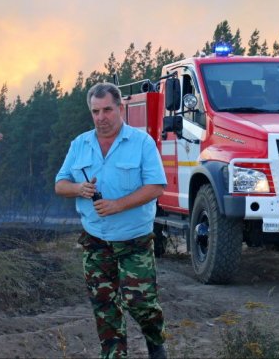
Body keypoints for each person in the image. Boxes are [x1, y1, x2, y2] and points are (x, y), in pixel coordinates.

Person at [55, 82, 167, 359]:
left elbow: (156, 186)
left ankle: (155, 342)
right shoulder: (79, 144)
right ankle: (114, 354)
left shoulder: (142, 143)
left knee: (140, 303)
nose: (101, 117)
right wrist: (78, 189)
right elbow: (60, 184)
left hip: (134, 239)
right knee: (104, 304)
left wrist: (118, 205)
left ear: (120, 108)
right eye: (95, 111)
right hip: (95, 239)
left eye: (107, 110)